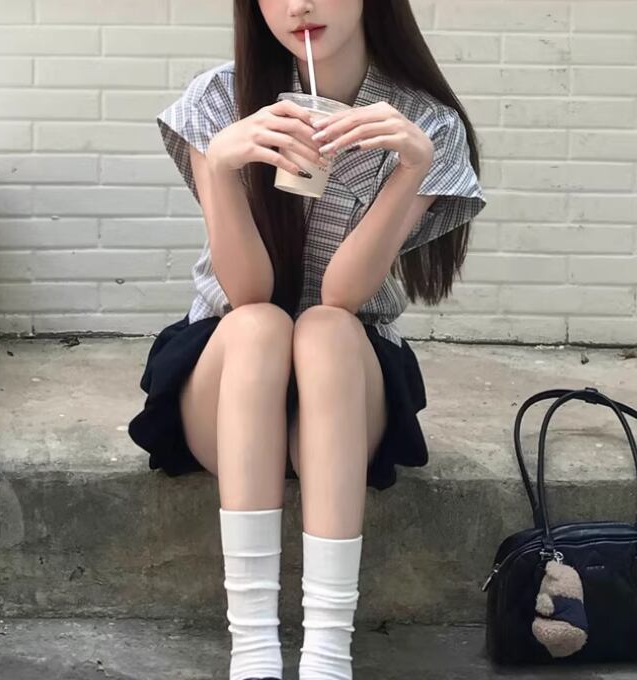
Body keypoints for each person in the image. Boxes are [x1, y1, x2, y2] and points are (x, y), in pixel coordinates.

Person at [128, 1, 487, 678]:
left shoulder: (424, 126)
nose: (298, 5)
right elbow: (246, 291)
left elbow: (343, 296)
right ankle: (253, 649)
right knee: (261, 323)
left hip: (346, 381)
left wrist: (409, 169)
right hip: (230, 377)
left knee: (323, 326)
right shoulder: (219, 99)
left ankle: (327, 652)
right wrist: (222, 167)